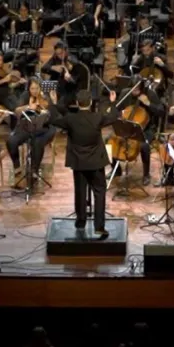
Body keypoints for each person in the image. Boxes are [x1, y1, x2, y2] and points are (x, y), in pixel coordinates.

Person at [49, 88, 118, 238]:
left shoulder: (71, 119)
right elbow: (113, 117)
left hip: (79, 162)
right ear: (91, 102)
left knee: (80, 192)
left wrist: (53, 104)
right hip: (96, 162)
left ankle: (81, 222)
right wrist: (112, 103)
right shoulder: (97, 117)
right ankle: (99, 227)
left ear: (76, 103)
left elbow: (54, 119)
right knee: (99, 193)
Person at [112, 80, 165, 186]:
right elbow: (117, 110)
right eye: (133, 88)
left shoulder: (150, 94)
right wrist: (115, 107)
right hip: (127, 126)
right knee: (110, 141)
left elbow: (161, 112)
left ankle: (146, 174)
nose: (134, 91)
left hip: (147, 128)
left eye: (137, 89)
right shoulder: (125, 93)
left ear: (141, 88)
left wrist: (148, 103)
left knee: (144, 146)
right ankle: (116, 170)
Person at [7, 78, 56, 184]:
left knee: (37, 142)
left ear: (40, 88)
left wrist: (45, 108)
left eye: (37, 88)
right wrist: (28, 107)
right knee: (11, 141)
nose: (34, 91)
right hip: (26, 126)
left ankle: (34, 169)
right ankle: (17, 166)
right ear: (28, 88)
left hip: (44, 128)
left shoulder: (45, 97)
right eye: (32, 88)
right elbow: (16, 111)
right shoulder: (25, 96)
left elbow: (52, 115)